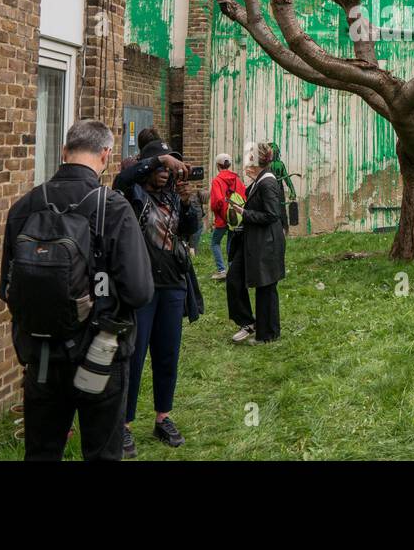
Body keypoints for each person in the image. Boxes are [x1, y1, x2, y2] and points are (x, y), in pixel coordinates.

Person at [0, 120, 153, 461]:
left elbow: (7, 288)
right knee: (101, 452)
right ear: (106, 155)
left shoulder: (25, 207)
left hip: (41, 356)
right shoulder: (112, 208)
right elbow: (140, 291)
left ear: (65, 152)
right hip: (101, 353)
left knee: (41, 452)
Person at [113, 139, 201, 457]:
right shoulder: (132, 194)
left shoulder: (174, 197)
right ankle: (123, 425)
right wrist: (157, 159)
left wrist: (188, 204)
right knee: (133, 359)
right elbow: (121, 179)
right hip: (142, 287)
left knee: (167, 355)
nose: (166, 172)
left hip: (173, 285)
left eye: (170, 167)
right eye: (161, 166)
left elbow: (191, 230)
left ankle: (163, 417)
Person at [227, 143, 288, 344]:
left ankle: (268, 334)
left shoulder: (267, 182)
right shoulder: (260, 180)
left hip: (266, 243)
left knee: (266, 288)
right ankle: (252, 324)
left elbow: (272, 214)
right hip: (254, 242)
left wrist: (244, 213)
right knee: (235, 279)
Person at [209, 153, 245, 281]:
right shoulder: (236, 179)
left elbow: (217, 201)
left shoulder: (217, 181)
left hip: (221, 218)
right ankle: (233, 270)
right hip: (235, 218)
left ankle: (221, 270)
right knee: (231, 243)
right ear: (229, 164)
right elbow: (244, 196)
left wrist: (217, 210)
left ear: (218, 165)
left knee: (215, 243)